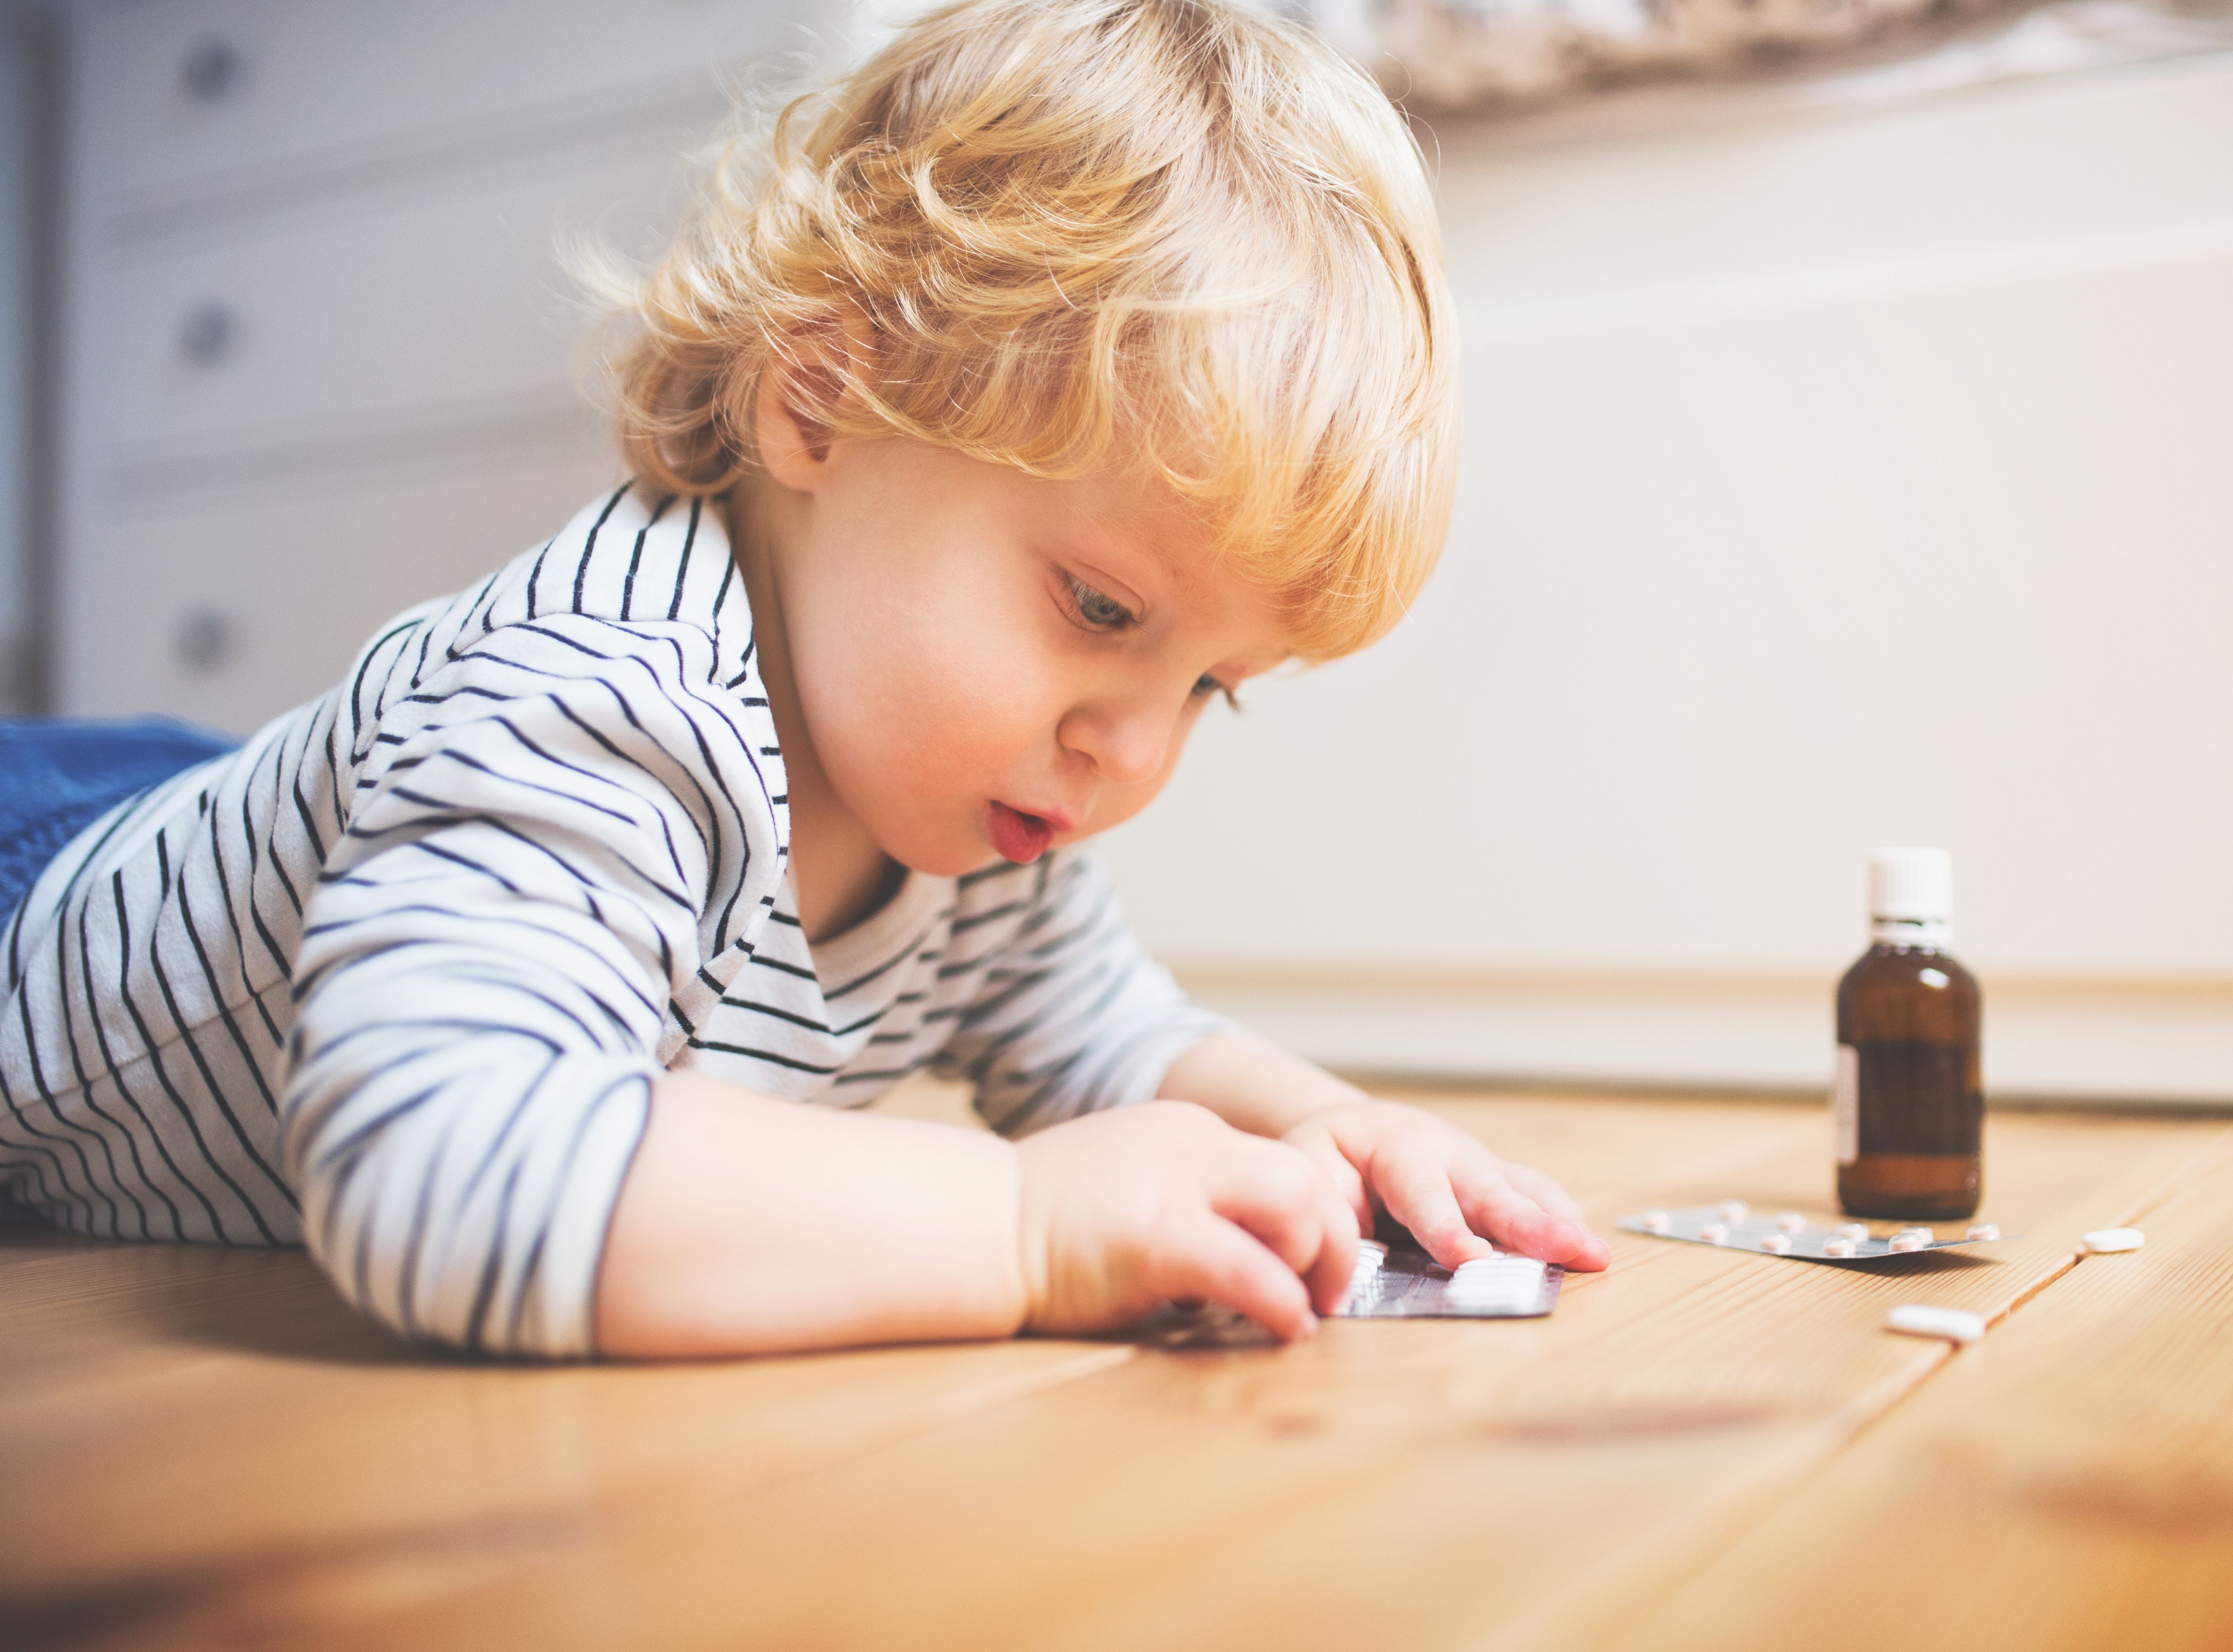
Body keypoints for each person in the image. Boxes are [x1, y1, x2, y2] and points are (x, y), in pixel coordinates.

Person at [0, 0, 1606, 1359]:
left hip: (256, 815)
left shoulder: (984, 801)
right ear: (824, 403)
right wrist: (1030, 1223)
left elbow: (1107, 1036)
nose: (1130, 749)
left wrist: (1331, 1131)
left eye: (1211, 688)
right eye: (1103, 607)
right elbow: (446, 1161)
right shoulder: (603, 702)